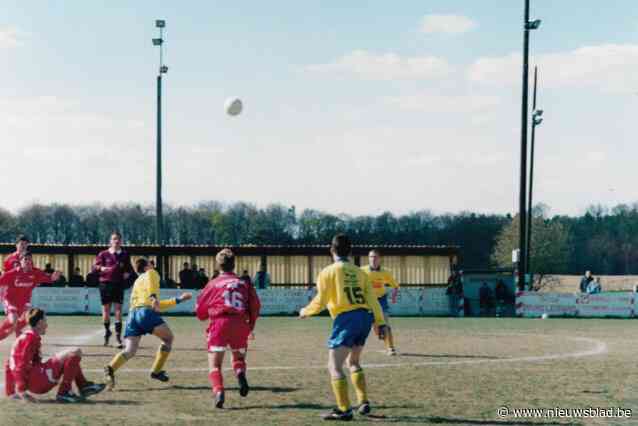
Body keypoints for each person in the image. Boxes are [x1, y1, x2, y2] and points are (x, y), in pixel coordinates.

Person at [299, 234, 386, 421]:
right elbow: (373, 300)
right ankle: (363, 402)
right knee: (353, 362)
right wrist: (380, 323)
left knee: (334, 365)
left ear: (331, 250)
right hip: (364, 317)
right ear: (351, 252)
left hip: (346, 319)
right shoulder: (360, 272)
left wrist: (305, 311)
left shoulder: (327, 272)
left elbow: (320, 301)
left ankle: (344, 409)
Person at [104, 258, 192, 390]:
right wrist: (153, 297)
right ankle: (156, 371)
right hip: (145, 313)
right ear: (147, 267)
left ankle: (111, 367)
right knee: (168, 339)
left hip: (132, 315)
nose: (153, 265)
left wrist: (178, 299)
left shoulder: (138, 281)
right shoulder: (151, 273)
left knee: (129, 351)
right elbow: (153, 301)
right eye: (150, 264)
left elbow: (156, 306)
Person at [196, 248, 261, 409]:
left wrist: (205, 315)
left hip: (219, 323)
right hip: (240, 323)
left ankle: (219, 391)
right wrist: (250, 326)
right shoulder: (244, 283)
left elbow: (200, 311)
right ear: (234, 265)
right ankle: (240, 375)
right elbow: (255, 305)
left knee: (215, 364)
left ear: (218, 266)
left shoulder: (212, 284)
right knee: (238, 359)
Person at [4, 308, 106, 403]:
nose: (47, 325)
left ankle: (83, 386)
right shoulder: (30, 339)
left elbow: (9, 363)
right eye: (45, 321)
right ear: (39, 323)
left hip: (36, 379)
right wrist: (22, 390)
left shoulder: (27, 336)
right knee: (75, 351)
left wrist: (10, 392)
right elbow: (20, 365)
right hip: (38, 380)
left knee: (70, 356)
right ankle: (64, 392)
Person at [0, 252, 61, 341]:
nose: (28, 261)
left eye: (30, 259)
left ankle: (16, 328)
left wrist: (54, 277)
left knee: (30, 317)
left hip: (24, 303)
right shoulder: (12, 273)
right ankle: (13, 327)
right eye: (25, 259)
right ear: (20, 261)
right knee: (13, 320)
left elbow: (49, 278)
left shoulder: (35, 273)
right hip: (10, 300)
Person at [94, 231, 133, 348]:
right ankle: (107, 332)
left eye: (118, 239)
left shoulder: (125, 255)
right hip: (105, 284)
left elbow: (129, 269)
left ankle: (118, 337)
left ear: (121, 241)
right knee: (106, 309)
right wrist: (102, 268)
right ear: (110, 241)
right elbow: (95, 267)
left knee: (118, 310)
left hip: (118, 284)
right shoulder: (103, 254)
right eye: (114, 239)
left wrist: (127, 273)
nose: (116, 241)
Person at [361, 249, 400, 356]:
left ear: (380, 259)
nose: (373, 259)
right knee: (377, 329)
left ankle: (391, 348)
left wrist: (394, 297)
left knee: (385, 324)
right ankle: (380, 332)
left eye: (375, 257)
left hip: (381, 300)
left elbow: (396, 286)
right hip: (368, 301)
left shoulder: (386, 272)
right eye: (371, 257)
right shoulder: (362, 271)